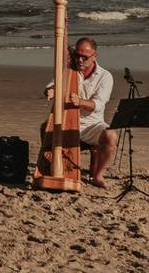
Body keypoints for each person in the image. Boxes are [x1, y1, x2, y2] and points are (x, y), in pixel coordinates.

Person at [45, 37, 116, 188]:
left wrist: (81, 102)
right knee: (44, 127)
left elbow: (98, 104)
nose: (80, 59)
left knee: (111, 135)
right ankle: (53, 165)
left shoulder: (105, 76)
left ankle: (98, 176)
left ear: (94, 56)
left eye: (85, 57)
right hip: (66, 121)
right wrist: (50, 91)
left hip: (92, 124)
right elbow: (52, 85)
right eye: (77, 55)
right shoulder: (68, 70)